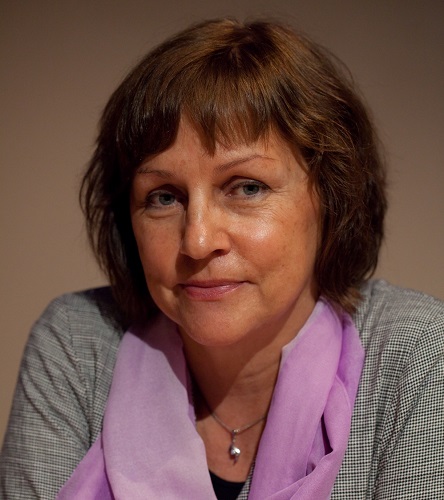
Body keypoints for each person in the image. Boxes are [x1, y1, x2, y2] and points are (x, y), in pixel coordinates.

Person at [1, 18, 443, 500]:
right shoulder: (77, 343)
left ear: (331, 200)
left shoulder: (416, 352)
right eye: (164, 197)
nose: (197, 240)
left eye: (247, 188)